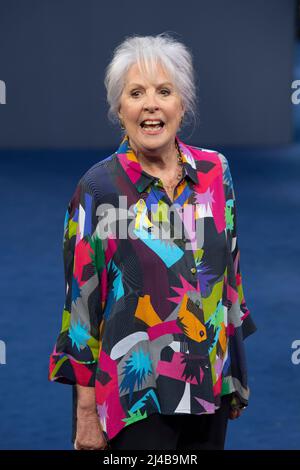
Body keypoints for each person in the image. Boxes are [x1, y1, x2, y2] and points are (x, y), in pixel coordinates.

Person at [48, 33, 257, 451]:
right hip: (135, 396)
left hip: (207, 387)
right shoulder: (98, 189)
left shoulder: (217, 171)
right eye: (136, 93)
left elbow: (228, 280)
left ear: (182, 105)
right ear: (119, 109)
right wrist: (85, 415)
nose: (151, 105)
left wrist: (234, 375)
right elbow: (81, 311)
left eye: (164, 91)